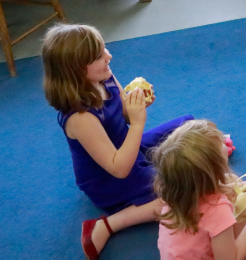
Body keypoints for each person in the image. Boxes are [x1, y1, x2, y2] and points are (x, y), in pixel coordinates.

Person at [42, 24, 194, 260]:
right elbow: (119, 168)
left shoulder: (104, 76)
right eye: (99, 56)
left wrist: (136, 103)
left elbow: (122, 114)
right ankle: (107, 225)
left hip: (129, 148)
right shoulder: (80, 117)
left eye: (105, 49)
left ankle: (169, 160)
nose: (108, 57)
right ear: (78, 70)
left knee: (189, 124)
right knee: (176, 194)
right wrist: (138, 122)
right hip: (108, 177)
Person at [152, 119, 246, 260]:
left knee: (231, 180)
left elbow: (222, 187)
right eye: (221, 143)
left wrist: (243, 188)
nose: (224, 141)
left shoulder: (175, 190)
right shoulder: (217, 208)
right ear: (214, 170)